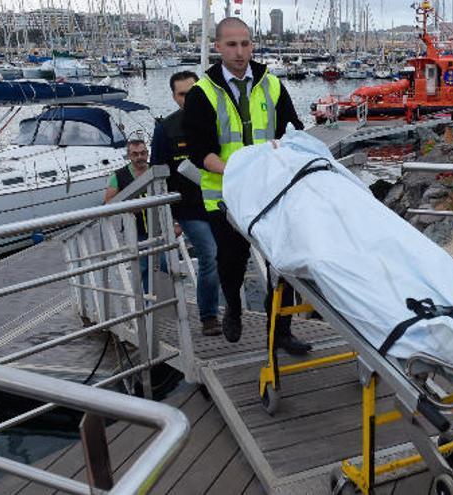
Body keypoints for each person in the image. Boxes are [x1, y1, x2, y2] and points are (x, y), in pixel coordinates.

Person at [183, 17, 311, 354]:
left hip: (271, 192)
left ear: (252, 44)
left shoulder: (271, 85)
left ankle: (280, 328)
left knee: (283, 264)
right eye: (231, 45)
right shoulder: (202, 93)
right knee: (231, 261)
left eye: (245, 44)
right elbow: (199, 152)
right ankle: (234, 310)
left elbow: (293, 130)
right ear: (218, 47)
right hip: (226, 195)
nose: (239, 52)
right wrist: (238, 171)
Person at [150, 70, 221, 337]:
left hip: (222, 204)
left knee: (233, 256)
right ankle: (209, 316)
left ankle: (233, 311)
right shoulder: (165, 129)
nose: (188, 99)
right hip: (190, 209)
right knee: (210, 255)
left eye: (193, 93)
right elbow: (157, 174)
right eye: (182, 94)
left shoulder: (219, 121)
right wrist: (170, 219)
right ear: (174, 97)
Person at [104, 139, 166, 293]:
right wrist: (128, 208)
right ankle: (148, 305)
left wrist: (176, 223)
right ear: (129, 156)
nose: (140, 157)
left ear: (147, 153)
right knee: (144, 267)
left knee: (164, 264)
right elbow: (108, 203)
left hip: (158, 226)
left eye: (143, 153)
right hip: (135, 229)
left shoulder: (156, 170)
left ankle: (167, 298)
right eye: (135, 154)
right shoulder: (118, 176)